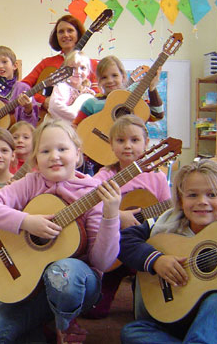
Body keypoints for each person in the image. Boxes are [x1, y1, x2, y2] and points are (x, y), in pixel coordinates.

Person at [0, 119, 122, 344]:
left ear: (78, 154)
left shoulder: (92, 194)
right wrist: (26, 221)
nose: (54, 156)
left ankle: (64, 325)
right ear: (35, 159)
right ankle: (45, 327)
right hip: (32, 286)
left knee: (62, 273)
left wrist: (111, 215)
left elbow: (100, 262)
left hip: (78, 284)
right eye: (45, 151)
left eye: (62, 149)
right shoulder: (32, 182)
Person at [118, 160, 217, 343]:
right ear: (181, 201)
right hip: (177, 320)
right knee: (133, 332)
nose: (202, 202)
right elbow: (124, 240)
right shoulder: (166, 222)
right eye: (192, 195)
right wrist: (157, 260)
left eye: (212, 195)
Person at [82, 115, 170, 319]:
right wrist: (119, 215)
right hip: (113, 250)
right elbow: (87, 201)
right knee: (94, 313)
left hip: (145, 249)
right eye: (120, 141)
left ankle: (142, 289)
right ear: (111, 145)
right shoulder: (105, 175)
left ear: (146, 143)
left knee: (147, 315)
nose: (128, 146)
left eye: (135, 140)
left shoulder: (157, 178)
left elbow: (168, 213)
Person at [21, 15, 99, 111]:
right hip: (49, 119)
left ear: (78, 34)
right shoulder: (46, 63)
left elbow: (98, 96)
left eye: (70, 30)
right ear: (56, 36)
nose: (65, 35)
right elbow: (22, 87)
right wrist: (43, 101)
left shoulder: (91, 64)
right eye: (61, 31)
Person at [73, 55, 164, 126]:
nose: (109, 81)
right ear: (99, 81)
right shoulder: (91, 103)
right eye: (104, 77)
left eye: (114, 75)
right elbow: (76, 127)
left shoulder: (134, 101)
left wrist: (152, 89)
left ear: (123, 76)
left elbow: (157, 115)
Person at [47, 50, 95, 122]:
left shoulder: (87, 93)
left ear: (88, 72)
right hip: (60, 126)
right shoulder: (62, 87)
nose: (78, 72)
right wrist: (79, 119)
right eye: (73, 68)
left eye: (83, 68)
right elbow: (55, 107)